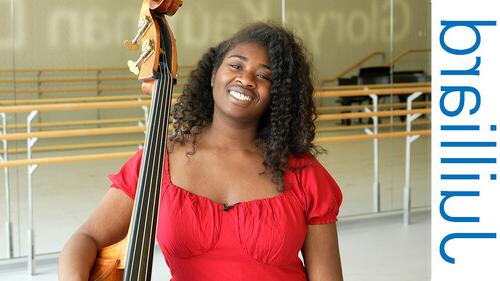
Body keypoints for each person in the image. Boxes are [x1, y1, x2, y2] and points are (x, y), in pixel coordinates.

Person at [59, 22, 343, 281]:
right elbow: (87, 238)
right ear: (213, 74)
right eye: (235, 66)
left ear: (277, 95)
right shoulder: (160, 160)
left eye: (263, 76)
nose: (246, 79)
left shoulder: (303, 173)